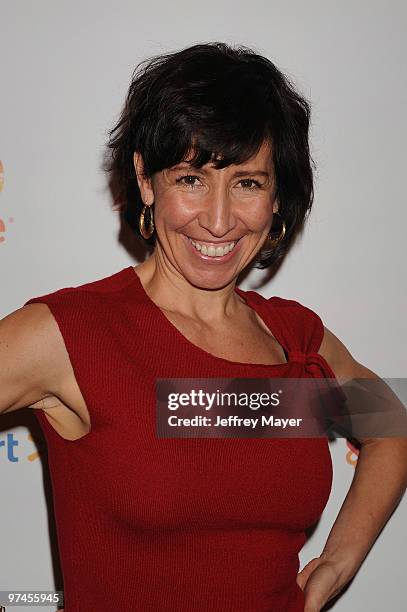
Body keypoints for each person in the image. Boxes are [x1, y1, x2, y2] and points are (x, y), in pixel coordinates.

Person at [1, 41, 406, 612]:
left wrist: (338, 563)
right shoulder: (74, 335)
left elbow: (392, 429)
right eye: (192, 178)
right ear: (146, 179)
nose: (218, 221)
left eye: (247, 183)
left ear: (276, 196)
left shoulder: (293, 340)